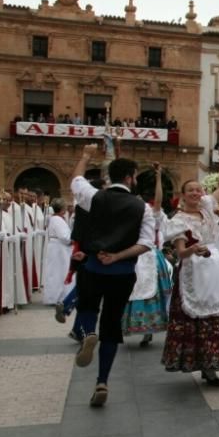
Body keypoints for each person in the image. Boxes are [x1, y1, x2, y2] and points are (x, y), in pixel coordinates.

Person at [70, 144, 155, 407]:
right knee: (111, 324)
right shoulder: (143, 207)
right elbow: (146, 243)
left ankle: (86, 335)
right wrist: (118, 256)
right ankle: (102, 380)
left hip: (94, 266)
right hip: (122, 272)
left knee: (87, 306)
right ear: (130, 178)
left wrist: (85, 156)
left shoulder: (94, 197)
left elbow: (76, 181)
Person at [162, 159, 219, 386]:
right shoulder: (178, 220)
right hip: (195, 269)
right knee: (203, 318)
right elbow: (180, 253)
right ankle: (209, 367)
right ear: (182, 195)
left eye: (198, 189)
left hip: (217, 266)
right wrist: (192, 249)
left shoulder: (208, 206)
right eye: (190, 190)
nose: (195, 193)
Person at [122, 165, 172, 347]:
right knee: (130, 290)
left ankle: (149, 330)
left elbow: (158, 201)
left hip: (149, 255)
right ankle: (130, 325)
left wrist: (159, 178)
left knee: (152, 292)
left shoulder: (151, 212)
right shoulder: (127, 216)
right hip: (133, 255)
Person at [41, 199, 72, 307]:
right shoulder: (57, 220)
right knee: (58, 272)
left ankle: (57, 296)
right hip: (59, 248)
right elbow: (64, 236)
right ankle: (57, 296)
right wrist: (72, 239)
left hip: (57, 247)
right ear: (62, 209)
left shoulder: (55, 218)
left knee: (56, 272)